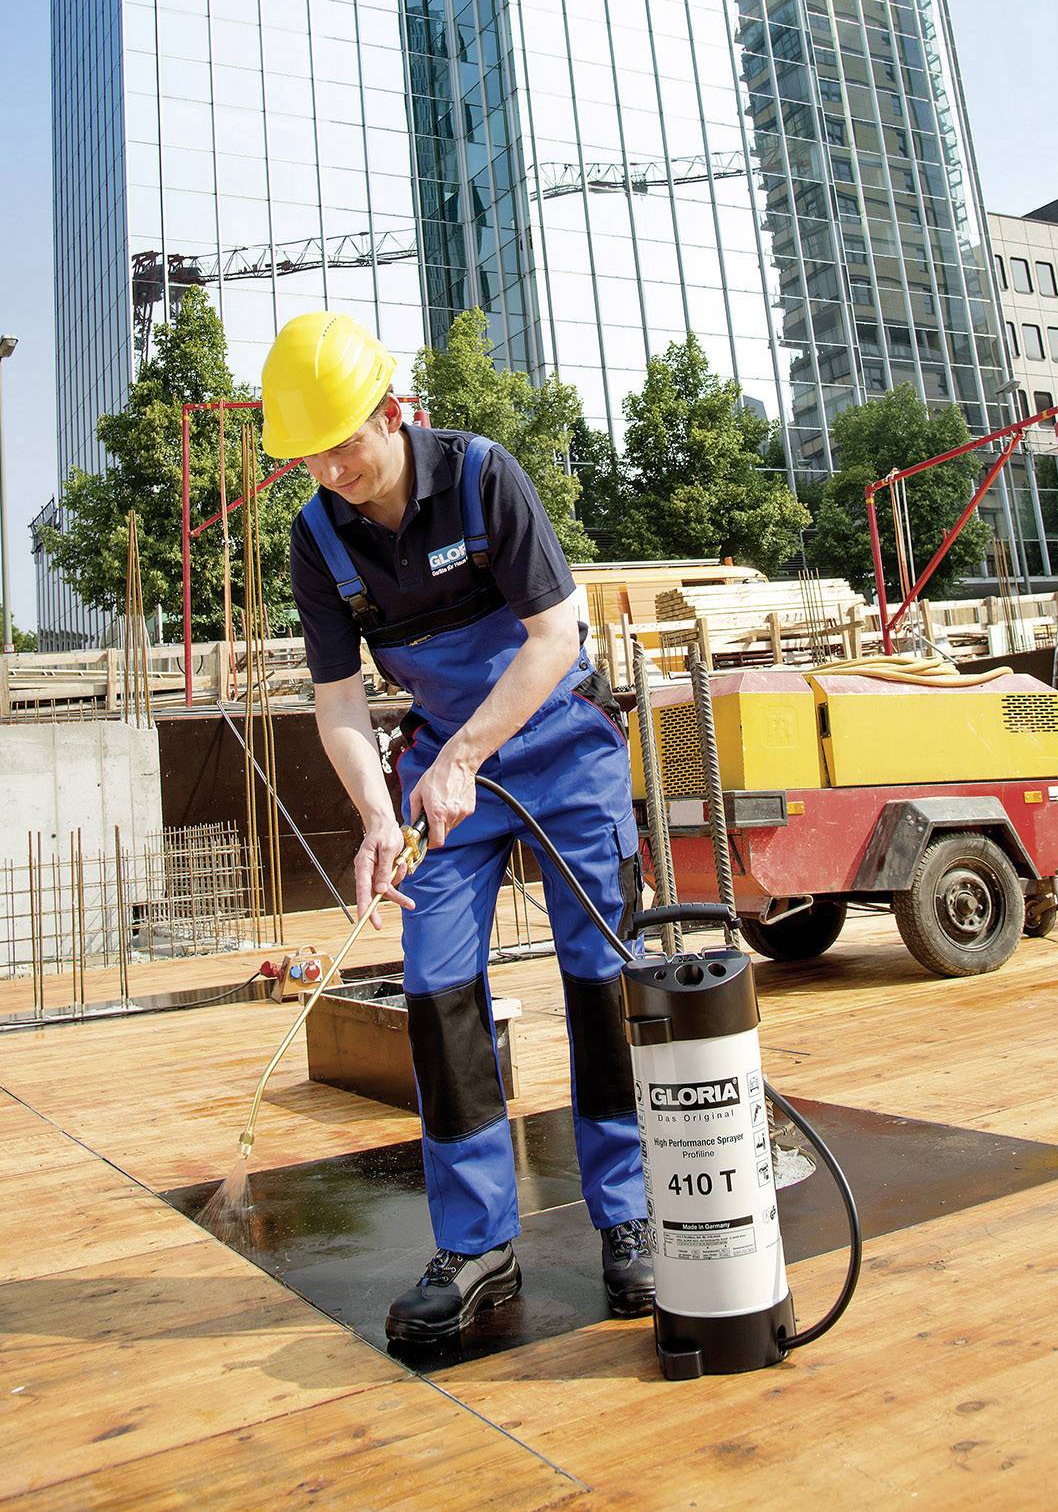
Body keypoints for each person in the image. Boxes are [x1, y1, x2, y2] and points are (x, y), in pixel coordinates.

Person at [261, 309, 654, 1343]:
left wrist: (466, 758)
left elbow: (551, 636)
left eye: (345, 444)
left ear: (393, 413)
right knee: (437, 998)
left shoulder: (485, 477)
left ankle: (630, 1219)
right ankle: (479, 1245)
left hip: (559, 752)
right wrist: (376, 818)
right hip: (439, 777)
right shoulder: (316, 537)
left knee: (602, 986)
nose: (332, 471)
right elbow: (339, 700)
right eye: (310, 456)